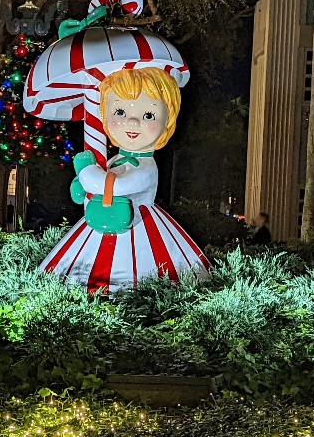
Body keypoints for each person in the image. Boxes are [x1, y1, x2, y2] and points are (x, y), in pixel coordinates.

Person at [40, 68, 209, 292]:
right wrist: (83, 187)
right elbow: (98, 186)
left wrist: (86, 171)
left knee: (142, 282)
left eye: (148, 115)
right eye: (119, 111)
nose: (132, 122)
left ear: (168, 120)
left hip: (139, 227)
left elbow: (116, 186)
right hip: (102, 223)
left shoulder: (147, 167)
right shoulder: (116, 159)